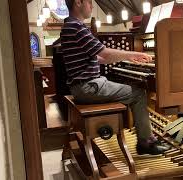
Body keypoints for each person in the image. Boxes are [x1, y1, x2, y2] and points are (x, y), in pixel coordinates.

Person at [60, 0, 169, 155]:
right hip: (88, 87)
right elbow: (104, 53)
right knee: (138, 93)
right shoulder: (76, 27)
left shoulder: (69, 26)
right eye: (89, 2)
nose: (91, 6)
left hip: (83, 86)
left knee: (131, 88)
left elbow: (100, 58)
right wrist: (135, 53)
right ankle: (146, 142)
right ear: (78, 2)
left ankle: (144, 136)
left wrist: (127, 58)